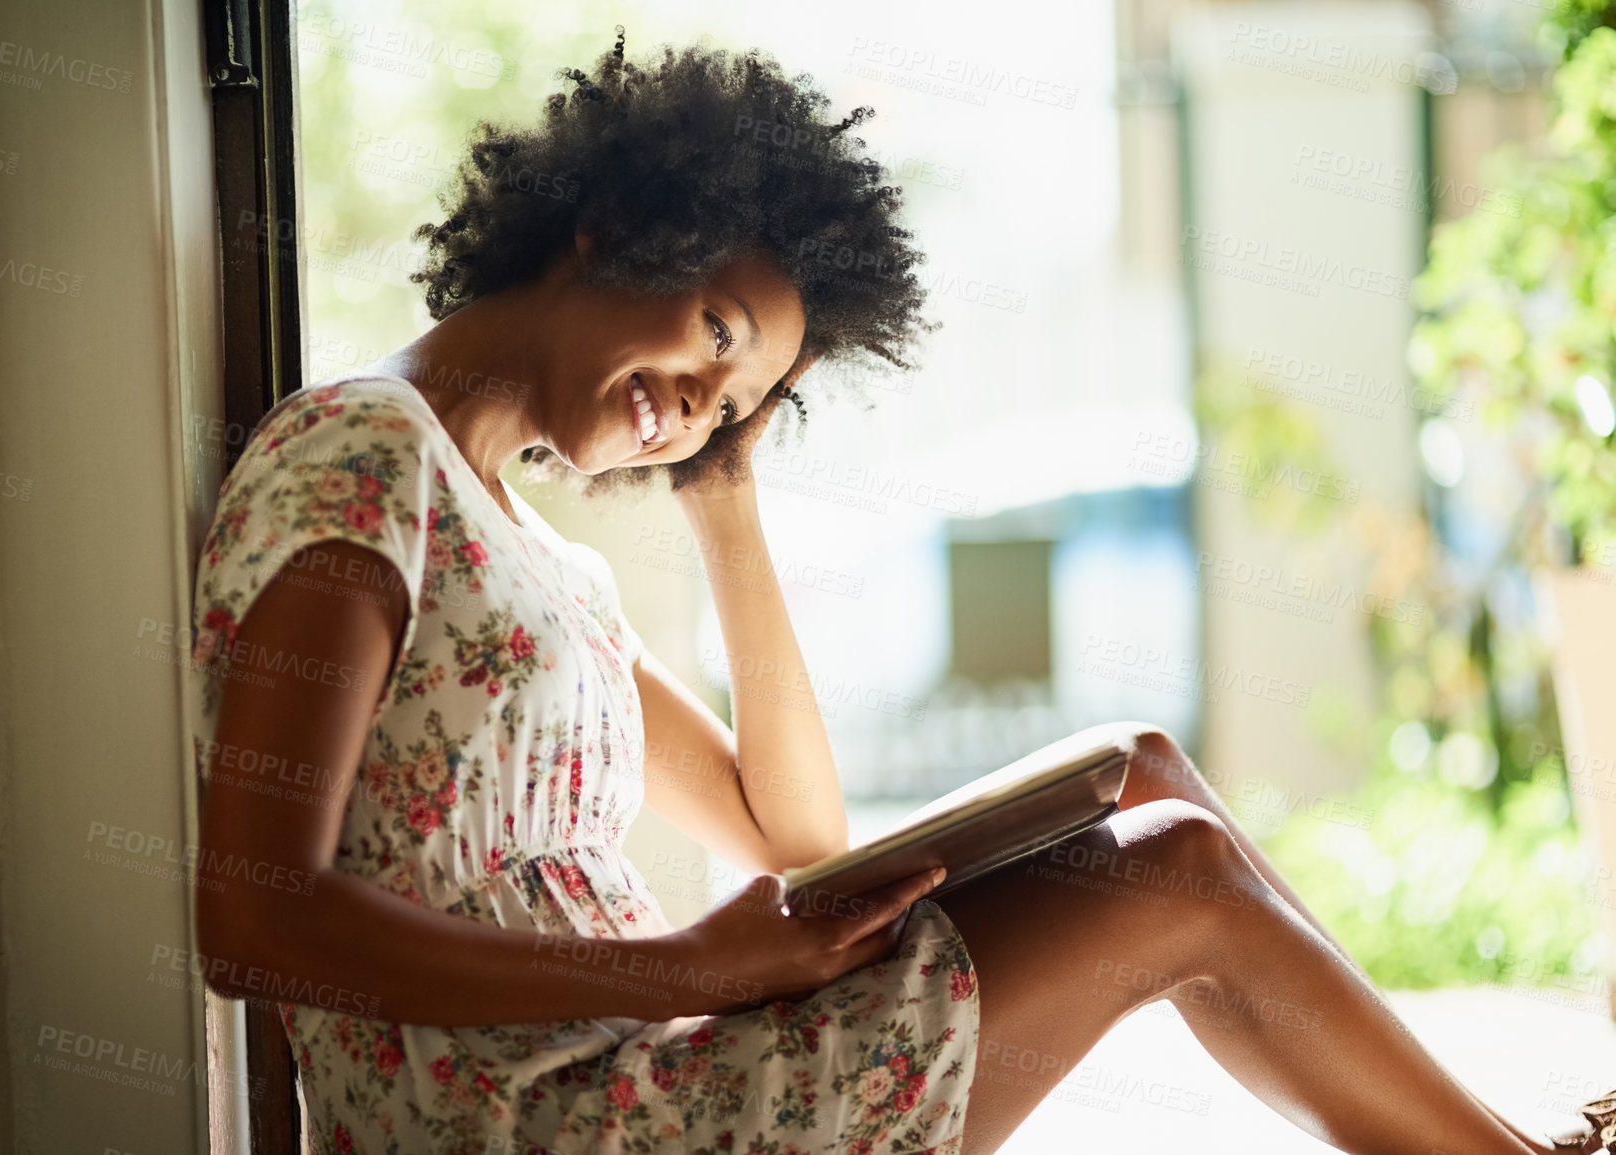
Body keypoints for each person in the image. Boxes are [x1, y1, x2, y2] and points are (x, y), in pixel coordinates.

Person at [190, 32, 1608, 1155]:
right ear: (615, 224)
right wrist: (683, 978)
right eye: (716, 334)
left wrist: (725, 492)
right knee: (1172, 868)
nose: (697, 406)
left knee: (1140, 778)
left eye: (739, 401)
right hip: (541, 1118)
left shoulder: (543, 560)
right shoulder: (368, 455)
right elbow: (253, 917)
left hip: (624, 1069)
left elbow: (785, 834)